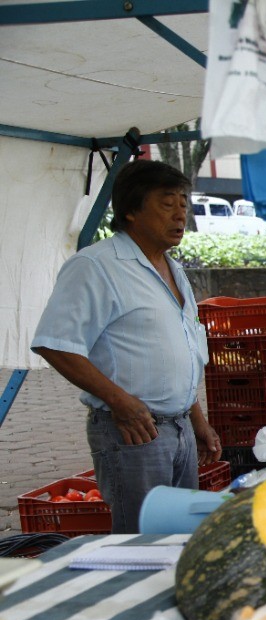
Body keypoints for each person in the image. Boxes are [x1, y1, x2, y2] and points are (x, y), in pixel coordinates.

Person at [31, 159, 221, 534]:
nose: (180, 214)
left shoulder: (174, 270)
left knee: (179, 537)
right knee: (142, 542)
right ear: (131, 211)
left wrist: (196, 419)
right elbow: (55, 344)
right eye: (167, 203)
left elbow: (182, 350)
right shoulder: (96, 266)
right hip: (135, 432)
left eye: (183, 203)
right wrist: (120, 401)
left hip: (180, 429)